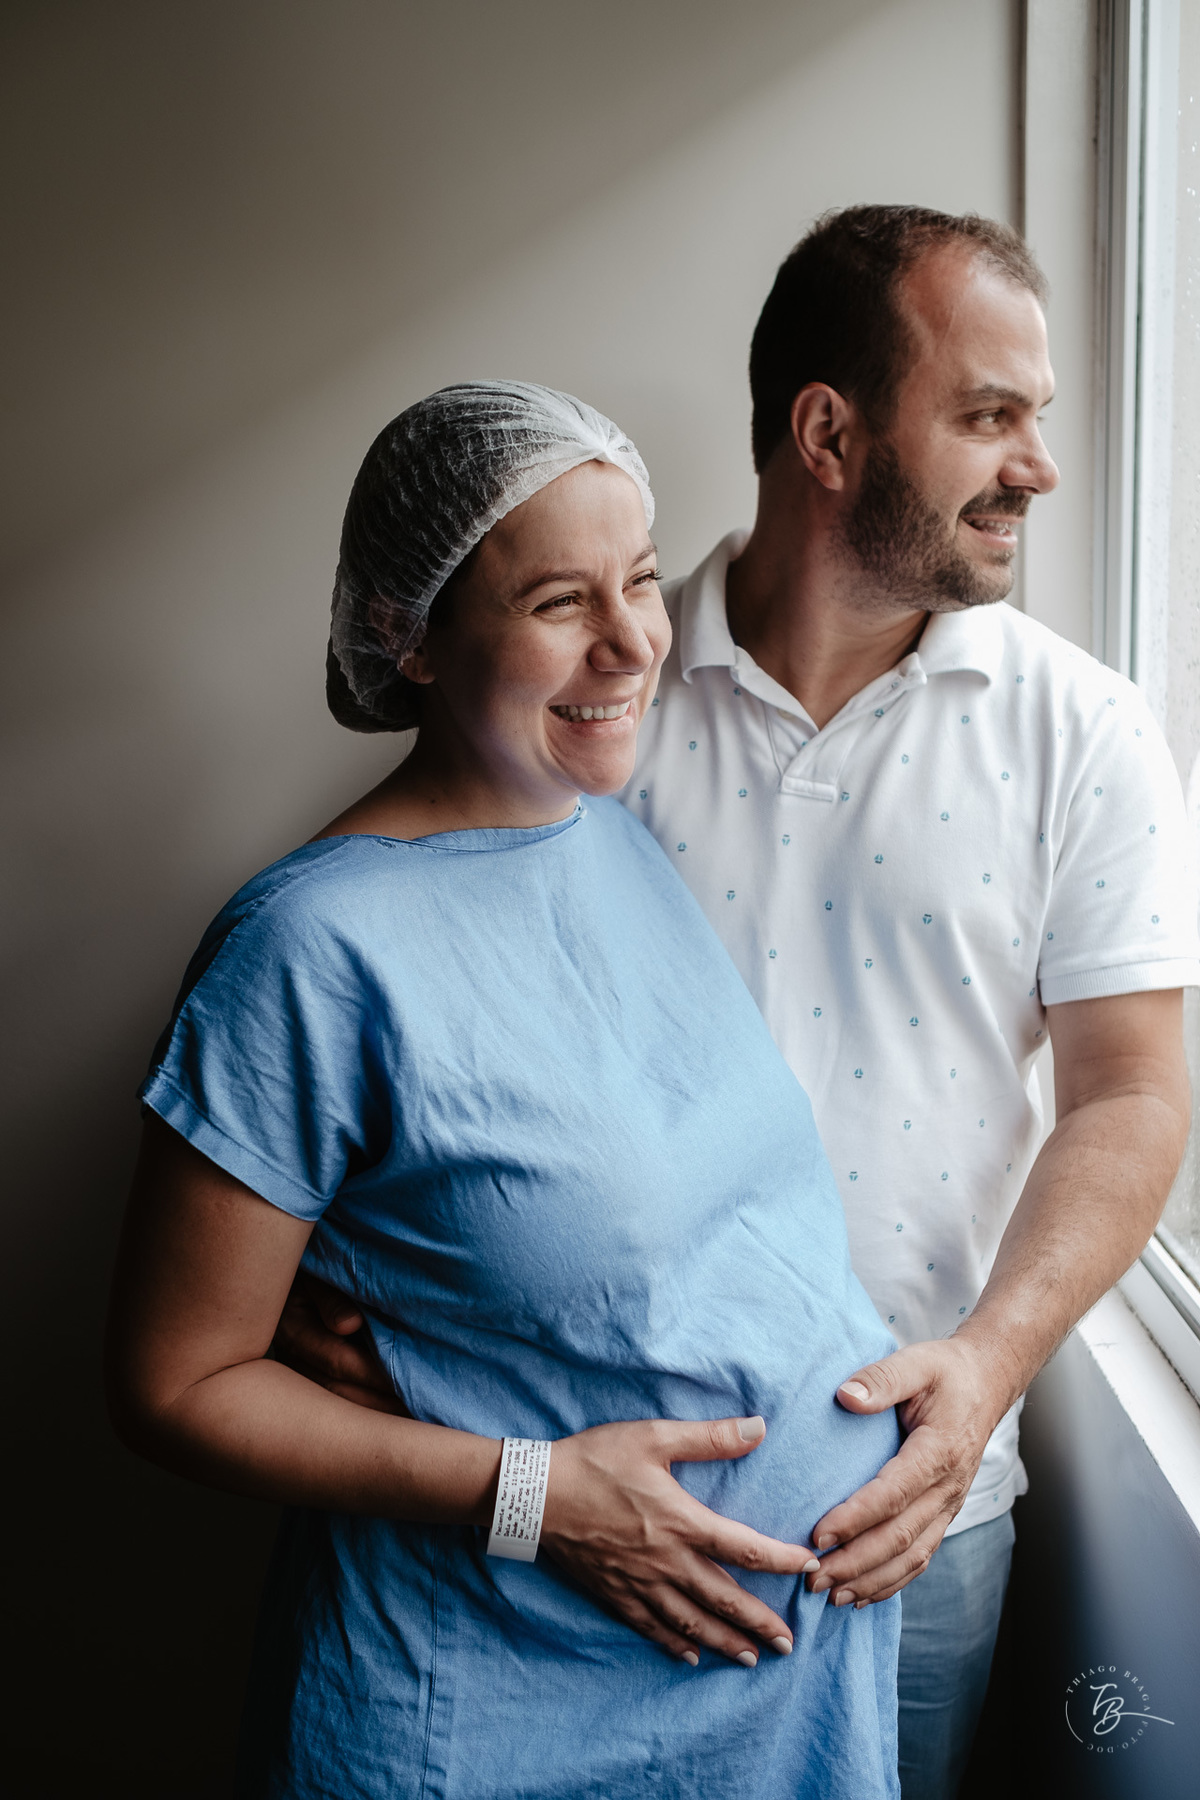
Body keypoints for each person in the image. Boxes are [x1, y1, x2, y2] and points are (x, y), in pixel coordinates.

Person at [278, 212, 1199, 1800]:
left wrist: (984, 1367)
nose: (1037, 465)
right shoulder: (582, 712)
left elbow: (1132, 1093)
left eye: (1040, 417)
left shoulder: (1088, 736)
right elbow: (378, 1020)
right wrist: (300, 1274)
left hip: (909, 1533)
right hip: (551, 1541)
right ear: (829, 431)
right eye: (990, 414)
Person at [105, 382, 906, 1800]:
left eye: (645, 580)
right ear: (409, 640)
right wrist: (539, 1501)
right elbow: (176, 1381)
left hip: (758, 1700)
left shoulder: (610, 839)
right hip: (500, 1705)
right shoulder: (307, 946)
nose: (633, 641)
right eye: (558, 602)